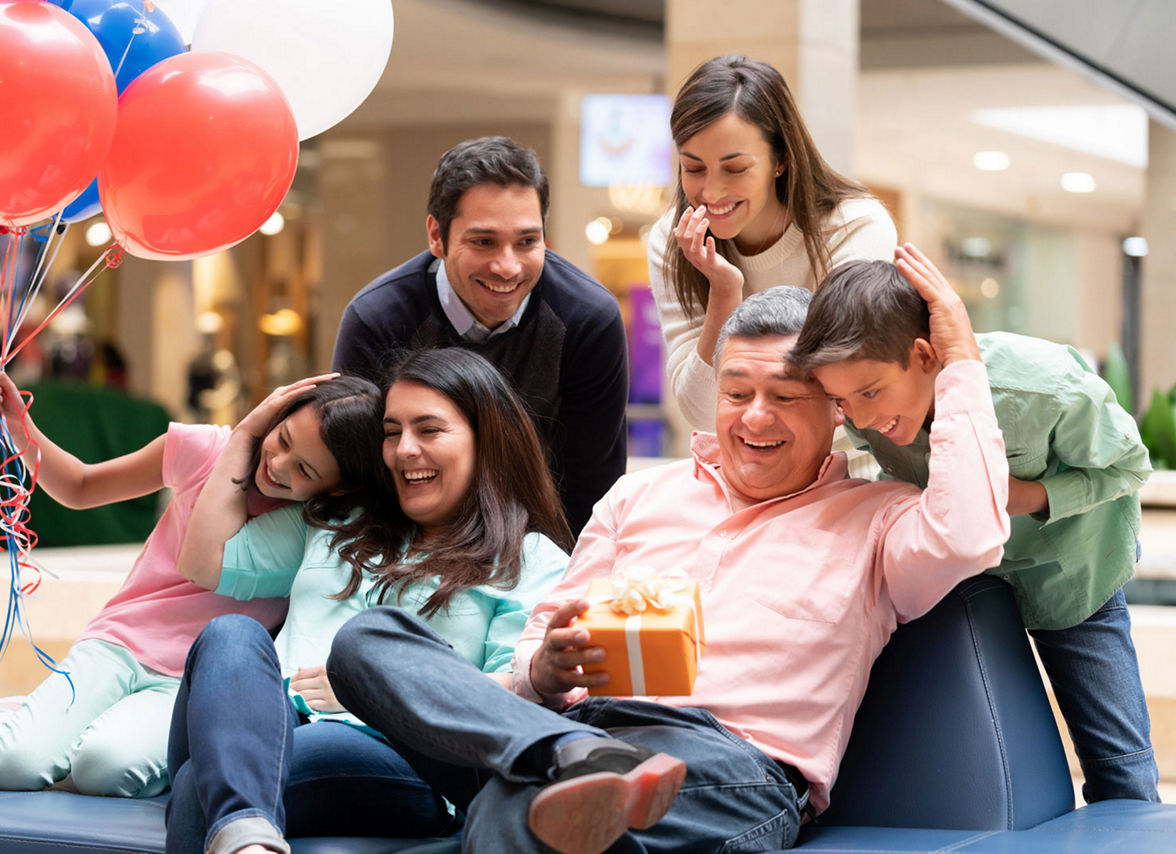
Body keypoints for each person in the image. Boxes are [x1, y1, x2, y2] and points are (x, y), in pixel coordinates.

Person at [323, 263, 1012, 853]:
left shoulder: (878, 517)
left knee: (516, 811)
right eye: (737, 393)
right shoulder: (639, 497)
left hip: (730, 768)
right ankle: (569, 764)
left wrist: (958, 362)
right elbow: (538, 642)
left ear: (835, 409)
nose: (755, 417)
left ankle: (563, 778)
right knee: (368, 641)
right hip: (571, 731)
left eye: (785, 397)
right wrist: (545, 668)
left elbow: (970, 537)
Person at [165, 348, 575, 854]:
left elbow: (516, 693)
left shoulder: (530, 559)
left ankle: (243, 828)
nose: (404, 450)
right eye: (392, 431)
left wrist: (375, 691)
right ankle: (247, 833)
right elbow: (204, 561)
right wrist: (246, 436)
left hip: (397, 752)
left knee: (198, 787)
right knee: (231, 635)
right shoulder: (344, 519)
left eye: (429, 430)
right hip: (255, 719)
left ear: (485, 441)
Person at [790, 246, 1160, 804]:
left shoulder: (1045, 387)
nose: (863, 421)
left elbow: (1131, 467)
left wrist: (1032, 495)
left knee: (1121, 768)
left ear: (922, 353)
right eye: (844, 401)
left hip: (1075, 578)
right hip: (966, 592)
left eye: (870, 392)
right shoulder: (867, 413)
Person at [0, 368, 384, 798]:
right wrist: (19, 427)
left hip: (188, 681)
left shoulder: (316, 525)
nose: (279, 465)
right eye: (281, 438)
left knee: (103, 768)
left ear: (336, 489)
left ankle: (53, 727)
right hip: (120, 642)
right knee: (12, 765)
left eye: (305, 470)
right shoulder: (203, 447)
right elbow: (82, 486)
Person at [332, 136, 629, 535]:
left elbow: (591, 486)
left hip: (540, 554)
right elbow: (356, 475)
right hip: (404, 547)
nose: (507, 267)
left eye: (527, 242)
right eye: (483, 242)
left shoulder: (588, 320)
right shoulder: (378, 318)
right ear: (436, 236)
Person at [647, 54, 897, 431]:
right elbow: (702, 413)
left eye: (735, 168)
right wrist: (724, 293)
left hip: (849, 467)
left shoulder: (855, 227)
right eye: (693, 168)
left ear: (780, 159)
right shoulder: (673, 239)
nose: (711, 191)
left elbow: (845, 387)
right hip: (741, 468)